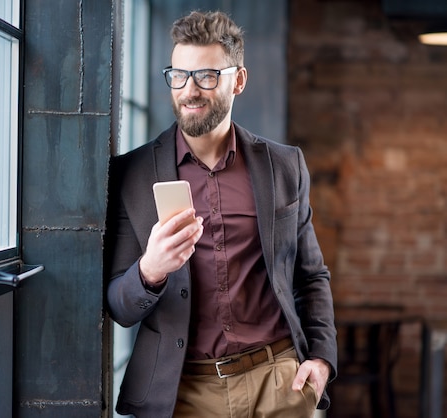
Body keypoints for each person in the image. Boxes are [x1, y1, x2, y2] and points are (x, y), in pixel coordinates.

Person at [104, 10, 337, 418]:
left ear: (238, 80)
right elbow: (118, 307)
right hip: (182, 394)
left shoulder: (285, 166)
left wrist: (321, 359)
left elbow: (310, 275)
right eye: (179, 75)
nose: (189, 90)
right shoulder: (133, 175)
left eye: (207, 76)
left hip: (278, 383)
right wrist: (150, 271)